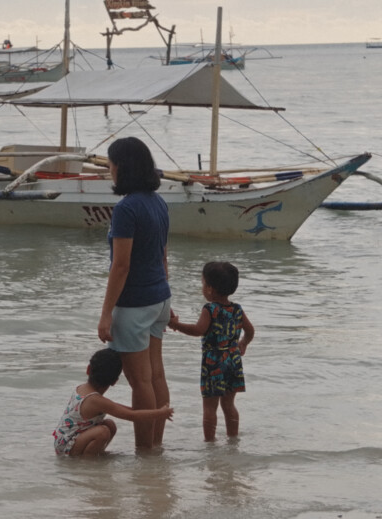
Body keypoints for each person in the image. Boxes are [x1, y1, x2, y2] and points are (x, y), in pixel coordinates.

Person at [97, 136, 172, 450]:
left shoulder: (126, 208)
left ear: (121, 167)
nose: (109, 169)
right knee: (155, 375)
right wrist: (168, 296)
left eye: (110, 163)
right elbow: (163, 254)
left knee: (139, 381)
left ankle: (145, 453)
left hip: (135, 304)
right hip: (159, 298)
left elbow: (121, 266)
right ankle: (154, 446)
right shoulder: (159, 202)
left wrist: (105, 313)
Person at [169, 261, 254, 442]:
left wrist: (176, 325)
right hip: (233, 360)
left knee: (209, 407)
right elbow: (250, 330)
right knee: (229, 404)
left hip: (213, 362)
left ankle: (210, 444)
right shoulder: (237, 309)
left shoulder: (210, 309)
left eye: (203, 283)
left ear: (210, 289)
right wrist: (243, 343)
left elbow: (198, 330)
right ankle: (233, 439)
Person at [53, 348, 175, 456]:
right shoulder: (96, 400)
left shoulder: (84, 389)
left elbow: (124, 410)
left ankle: (96, 454)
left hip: (65, 440)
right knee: (102, 432)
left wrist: (154, 412)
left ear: (88, 369)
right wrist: (159, 413)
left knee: (110, 425)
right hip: (66, 446)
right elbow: (131, 416)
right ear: (114, 382)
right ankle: (86, 461)